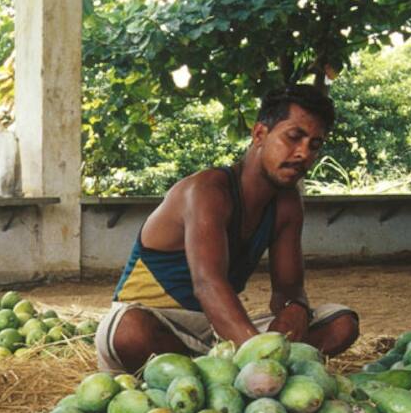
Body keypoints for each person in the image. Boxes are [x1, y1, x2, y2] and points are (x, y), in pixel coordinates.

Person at [96, 84, 360, 374]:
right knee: (129, 332)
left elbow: (288, 290)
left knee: (341, 324)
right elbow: (208, 285)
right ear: (259, 134)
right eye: (294, 137)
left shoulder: (287, 203)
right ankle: (227, 375)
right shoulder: (207, 190)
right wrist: (257, 358)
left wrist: (294, 310)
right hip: (159, 326)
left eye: (315, 145)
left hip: (217, 336)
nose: (303, 154)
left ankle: (214, 375)